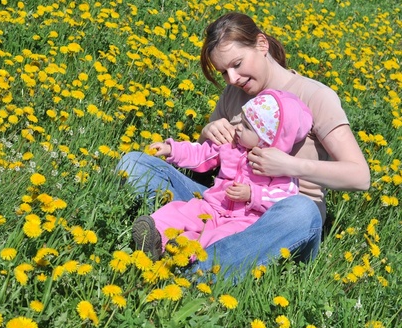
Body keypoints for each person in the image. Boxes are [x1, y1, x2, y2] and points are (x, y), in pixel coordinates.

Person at [116, 12, 370, 281]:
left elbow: (360, 176)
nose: (233, 78)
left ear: (262, 44)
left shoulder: (315, 96)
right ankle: (184, 241)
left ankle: (200, 273)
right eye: (224, 72)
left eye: (237, 64)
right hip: (226, 204)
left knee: (302, 211)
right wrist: (207, 133)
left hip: (280, 221)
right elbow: (206, 158)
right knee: (133, 163)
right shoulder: (233, 94)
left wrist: (289, 165)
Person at [132, 89, 313, 261]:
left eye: (247, 127)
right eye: (241, 120)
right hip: (213, 207)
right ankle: (154, 234)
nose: (239, 128)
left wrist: (253, 194)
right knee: (182, 211)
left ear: (267, 140)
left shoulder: (277, 165)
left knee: (219, 238)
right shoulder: (231, 146)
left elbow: (284, 197)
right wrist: (172, 149)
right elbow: (202, 154)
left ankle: (184, 252)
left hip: (245, 220)